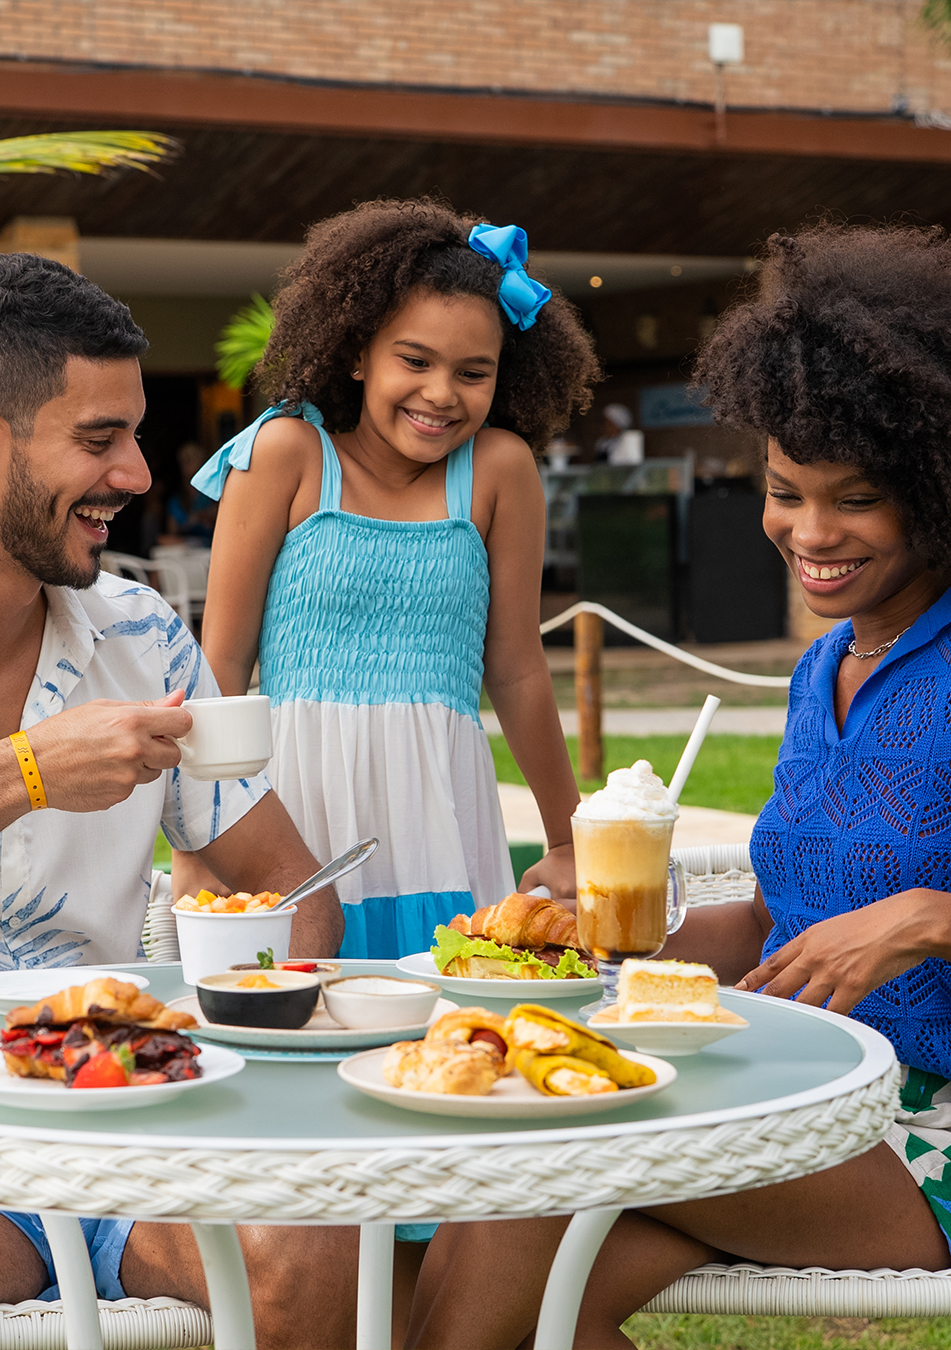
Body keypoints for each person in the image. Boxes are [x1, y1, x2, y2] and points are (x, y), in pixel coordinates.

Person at [404, 223, 951, 1348]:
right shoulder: (823, 669)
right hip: (811, 1086)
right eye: (786, 490)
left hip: (928, 1128)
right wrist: (612, 946)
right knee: (519, 1274)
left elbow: (881, 923)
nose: (809, 533)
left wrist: (926, 918)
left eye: (853, 500)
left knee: (541, 1158)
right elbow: (779, 916)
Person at [0, 252, 345, 1341]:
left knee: (315, 1247)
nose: (137, 473)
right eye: (99, 440)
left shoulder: (145, 637)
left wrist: (235, 1029)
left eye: (132, 436)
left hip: (130, 1120)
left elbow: (291, 883)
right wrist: (23, 773)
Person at [183, 198, 600, 960]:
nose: (442, 393)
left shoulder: (501, 472)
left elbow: (516, 669)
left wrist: (569, 839)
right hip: (294, 813)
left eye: (473, 373)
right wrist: (194, 844)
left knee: (440, 1028)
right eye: (415, 360)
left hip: (437, 812)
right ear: (356, 353)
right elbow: (221, 665)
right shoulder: (287, 454)